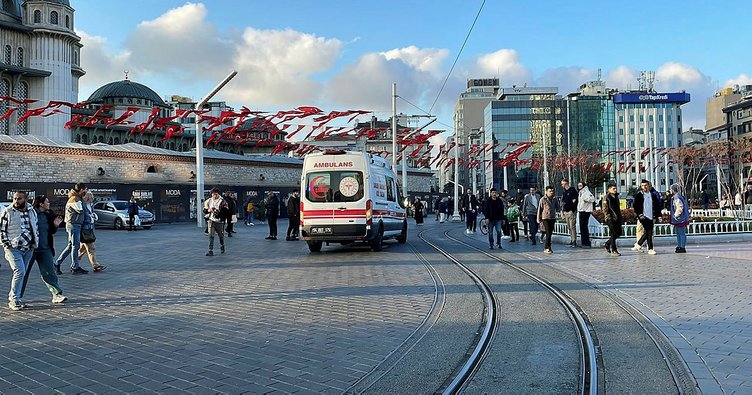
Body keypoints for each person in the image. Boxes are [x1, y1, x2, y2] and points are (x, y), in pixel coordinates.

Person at [20, 195, 67, 304]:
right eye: (47, 202)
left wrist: (55, 225)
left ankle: (57, 294)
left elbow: (51, 231)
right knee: (23, 272)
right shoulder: (31, 213)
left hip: (45, 248)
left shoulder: (49, 214)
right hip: (30, 248)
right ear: (41, 204)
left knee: (49, 272)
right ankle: (16, 296)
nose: (49, 203)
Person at [1, 192, 39, 310]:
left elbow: (35, 226)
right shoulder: (8, 211)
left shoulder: (31, 211)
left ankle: (17, 298)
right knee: (19, 271)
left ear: (26, 199)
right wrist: (7, 243)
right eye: (15, 198)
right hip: (14, 247)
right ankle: (14, 299)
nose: (16, 201)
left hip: (28, 247)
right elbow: (2, 229)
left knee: (22, 272)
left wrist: (35, 242)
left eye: (19, 199)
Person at [55, 183, 88, 274]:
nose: (86, 192)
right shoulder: (75, 199)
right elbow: (80, 209)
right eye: (85, 190)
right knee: (75, 246)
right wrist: (84, 201)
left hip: (75, 225)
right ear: (81, 189)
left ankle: (57, 264)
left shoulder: (77, 198)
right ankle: (74, 267)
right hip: (73, 225)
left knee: (71, 246)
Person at [77, 191, 106, 272]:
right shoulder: (83, 205)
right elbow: (83, 216)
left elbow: (91, 213)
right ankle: (95, 265)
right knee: (91, 248)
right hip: (85, 229)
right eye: (91, 196)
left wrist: (93, 216)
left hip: (90, 229)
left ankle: (75, 262)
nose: (92, 197)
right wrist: (90, 218)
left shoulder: (90, 205)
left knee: (83, 249)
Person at [632, 179, 661, 255]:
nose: (644, 187)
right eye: (642, 186)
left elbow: (657, 206)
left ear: (649, 186)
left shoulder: (653, 195)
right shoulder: (639, 195)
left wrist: (659, 216)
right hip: (643, 216)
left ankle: (638, 244)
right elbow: (635, 205)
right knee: (649, 231)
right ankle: (650, 249)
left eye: (646, 185)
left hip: (651, 216)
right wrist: (639, 214)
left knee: (648, 232)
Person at [204, 188, 228, 256]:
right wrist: (209, 210)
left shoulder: (222, 201)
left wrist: (219, 214)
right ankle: (210, 250)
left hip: (219, 222)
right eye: (213, 194)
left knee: (221, 236)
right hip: (211, 220)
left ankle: (222, 246)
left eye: (216, 194)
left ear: (218, 194)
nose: (215, 196)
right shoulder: (209, 201)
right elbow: (205, 210)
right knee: (211, 235)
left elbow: (226, 211)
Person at [537, 186, 560, 254]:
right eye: (550, 191)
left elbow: (558, 207)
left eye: (552, 191)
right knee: (548, 232)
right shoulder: (543, 199)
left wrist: (562, 212)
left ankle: (548, 247)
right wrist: (538, 218)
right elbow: (539, 209)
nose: (551, 192)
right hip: (545, 218)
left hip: (552, 217)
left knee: (550, 232)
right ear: (546, 192)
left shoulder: (554, 199)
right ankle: (547, 247)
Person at [602, 183, 622, 257]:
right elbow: (604, 209)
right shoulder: (606, 197)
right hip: (610, 218)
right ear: (609, 189)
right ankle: (614, 250)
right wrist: (608, 216)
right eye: (613, 189)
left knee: (618, 233)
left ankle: (607, 243)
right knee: (613, 234)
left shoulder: (616, 197)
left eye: (615, 188)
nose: (615, 190)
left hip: (617, 217)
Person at [670, 183, 690, 253]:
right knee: (678, 232)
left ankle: (682, 246)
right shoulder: (679, 196)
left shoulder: (677, 197)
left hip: (680, 218)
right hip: (680, 218)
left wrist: (675, 215)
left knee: (681, 233)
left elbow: (679, 207)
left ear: (673, 190)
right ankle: (680, 245)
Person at [560, 178, 578, 247]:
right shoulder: (564, 192)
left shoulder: (572, 190)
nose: (562, 185)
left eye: (562, 184)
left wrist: (572, 208)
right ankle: (572, 239)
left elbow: (574, 200)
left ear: (566, 184)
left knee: (572, 226)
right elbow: (563, 202)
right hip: (566, 211)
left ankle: (574, 241)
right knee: (569, 227)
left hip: (571, 211)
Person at [576, 182, 595, 248]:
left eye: (580, 185)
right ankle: (583, 242)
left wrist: (586, 199)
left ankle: (586, 243)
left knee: (584, 227)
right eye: (578, 185)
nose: (579, 186)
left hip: (586, 211)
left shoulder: (587, 192)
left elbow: (592, 199)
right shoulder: (580, 192)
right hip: (581, 210)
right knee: (582, 227)